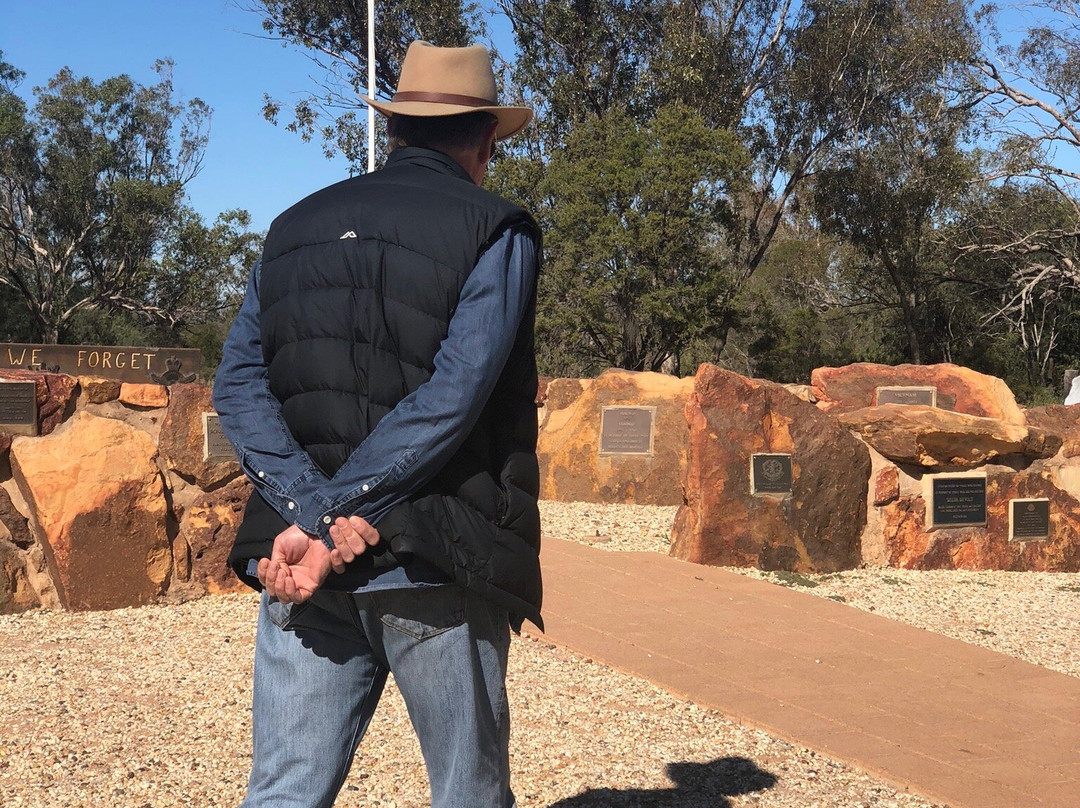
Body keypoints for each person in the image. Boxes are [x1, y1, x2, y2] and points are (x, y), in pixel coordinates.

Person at [211, 41, 543, 808]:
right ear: (487, 140)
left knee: (284, 792)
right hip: (435, 555)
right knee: (467, 790)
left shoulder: (293, 225)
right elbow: (456, 394)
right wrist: (339, 517)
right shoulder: (498, 230)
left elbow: (238, 383)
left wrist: (310, 512)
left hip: (297, 556)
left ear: (396, 129)